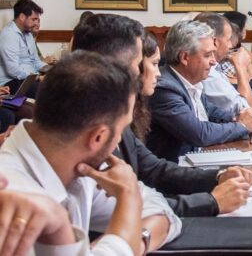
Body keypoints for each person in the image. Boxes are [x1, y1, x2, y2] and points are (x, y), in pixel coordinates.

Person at [0, 51, 182, 255]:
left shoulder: (77, 164)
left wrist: (130, 243)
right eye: (122, 129)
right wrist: (129, 204)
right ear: (98, 137)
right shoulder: (11, 199)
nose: (119, 140)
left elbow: (162, 211)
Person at [72, 14, 252, 217]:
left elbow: (153, 169)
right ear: (113, 68)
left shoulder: (113, 113)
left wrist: (218, 177)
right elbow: (124, 209)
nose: (157, 73)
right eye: (143, 63)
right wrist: (212, 202)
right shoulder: (87, 127)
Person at [147, 20, 252, 162]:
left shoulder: (191, 81)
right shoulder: (164, 89)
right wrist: (242, 126)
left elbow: (211, 111)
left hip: (197, 159)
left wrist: (236, 117)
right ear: (185, 57)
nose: (214, 61)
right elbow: (199, 133)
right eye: (207, 55)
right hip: (175, 169)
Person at [0, 0, 51, 95]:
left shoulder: (28, 33)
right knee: (48, 90)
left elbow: (36, 62)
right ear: (22, 17)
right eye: (33, 19)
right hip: (11, 82)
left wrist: (52, 69)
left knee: (61, 81)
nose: (36, 23)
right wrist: (38, 78)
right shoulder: (9, 35)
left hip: (29, 78)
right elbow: (13, 71)